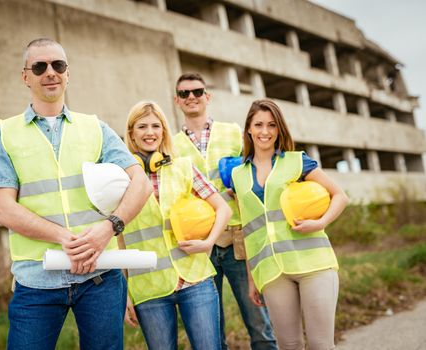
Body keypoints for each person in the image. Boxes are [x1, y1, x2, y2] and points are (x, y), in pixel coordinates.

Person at [0, 38, 152, 350]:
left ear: (67, 73)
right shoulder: (2, 136)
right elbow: (4, 210)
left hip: (100, 277)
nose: (50, 72)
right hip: (36, 280)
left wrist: (110, 227)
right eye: (40, 66)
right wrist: (64, 237)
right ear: (26, 77)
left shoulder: (95, 128)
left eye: (57, 65)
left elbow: (141, 183)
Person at [231, 99, 349, 350]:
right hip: (272, 272)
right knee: (289, 344)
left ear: (279, 129)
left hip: (313, 263)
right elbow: (249, 230)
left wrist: (320, 222)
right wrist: (252, 279)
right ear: (249, 129)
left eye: (272, 125)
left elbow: (340, 196)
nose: (265, 131)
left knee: (320, 344)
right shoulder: (238, 175)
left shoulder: (297, 161)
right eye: (259, 125)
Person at [173, 73, 277, 350]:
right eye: (184, 93)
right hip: (199, 244)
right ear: (177, 101)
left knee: (259, 321)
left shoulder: (233, 132)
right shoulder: (171, 146)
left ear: (208, 96)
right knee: (209, 331)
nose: (191, 97)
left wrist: (244, 187)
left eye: (197, 91)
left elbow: (257, 166)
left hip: (239, 237)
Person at [122, 100, 232, 350]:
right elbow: (119, 238)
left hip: (195, 279)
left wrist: (208, 242)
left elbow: (222, 208)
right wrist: (125, 290)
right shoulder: (121, 177)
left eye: (155, 126)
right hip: (148, 287)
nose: (150, 132)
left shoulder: (183, 167)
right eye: (142, 127)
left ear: (163, 131)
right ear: (131, 133)